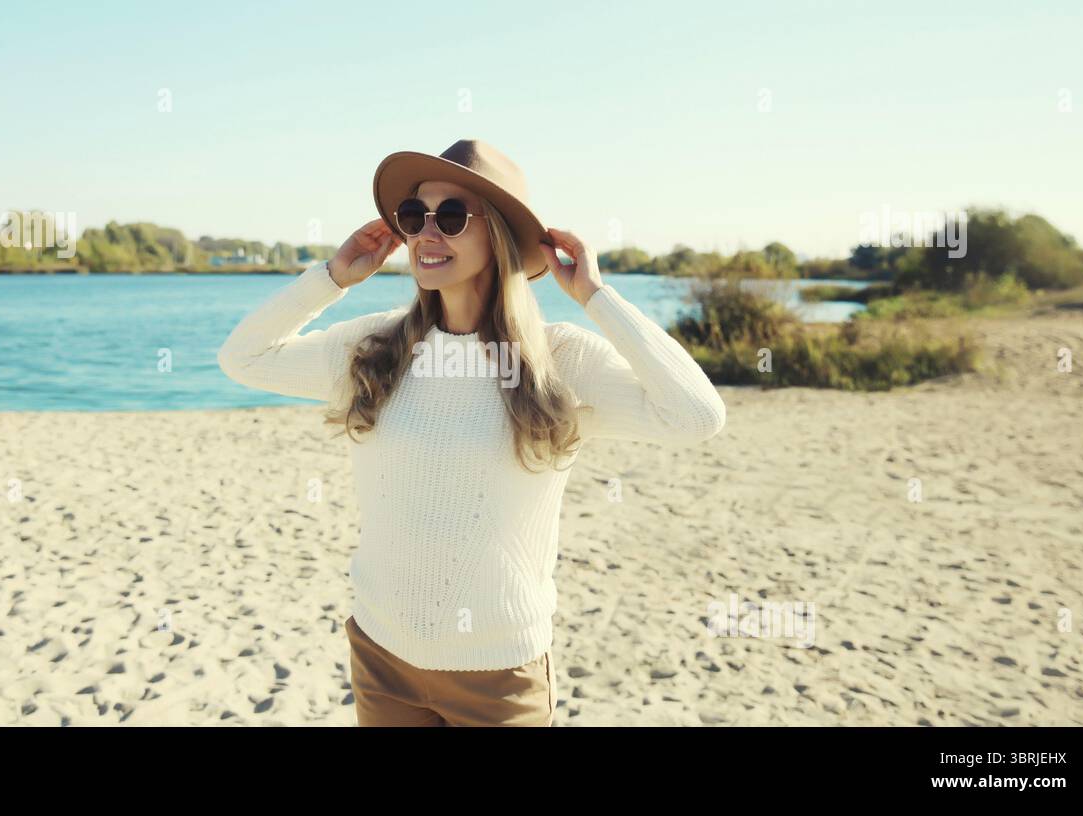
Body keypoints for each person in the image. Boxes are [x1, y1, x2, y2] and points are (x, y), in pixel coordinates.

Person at [217, 139, 726, 726]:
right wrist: (332, 278)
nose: (427, 234)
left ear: (501, 234)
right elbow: (244, 359)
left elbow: (696, 417)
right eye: (414, 217)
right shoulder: (376, 347)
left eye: (452, 217)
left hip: (499, 676)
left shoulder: (559, 360)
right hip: (382, 658)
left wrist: (595, 297)